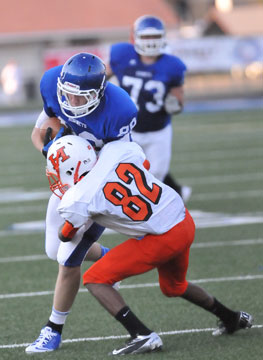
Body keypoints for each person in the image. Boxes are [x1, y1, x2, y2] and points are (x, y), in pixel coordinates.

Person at [45, 135, 253, 356]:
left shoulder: (77, 198)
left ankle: (141, 334)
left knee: (95, 279)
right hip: (183, 220)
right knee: (174, 286)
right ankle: (231, 317)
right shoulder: (117, 151)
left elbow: (66, 235)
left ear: (71, 168)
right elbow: (144, 165)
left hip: (162, 237)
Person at [25, 53, 138, 353]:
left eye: (81, 97)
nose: (72, 103)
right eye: (68, 95)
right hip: (70, 179)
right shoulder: (51, 83)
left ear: (98, 93)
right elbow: (39, 131)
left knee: (67, 259)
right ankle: (109, 259)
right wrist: (51, 152)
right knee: (54, 249)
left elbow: (117, 163)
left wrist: (86, 191)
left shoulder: (120, 110)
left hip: (98, 185)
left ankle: (53, 329)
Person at [106, 15, 192, 203]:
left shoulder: (173, 65)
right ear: (135, 37)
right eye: (145, 37)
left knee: (155, 176)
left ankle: (158, 207)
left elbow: (179, 98)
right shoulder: (121, 55)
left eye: (154, 37)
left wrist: (175, 105)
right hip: (127, 129)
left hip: (158, 130)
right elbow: (101, 77)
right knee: (121, 171)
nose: (150, 42)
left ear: (163, 37)